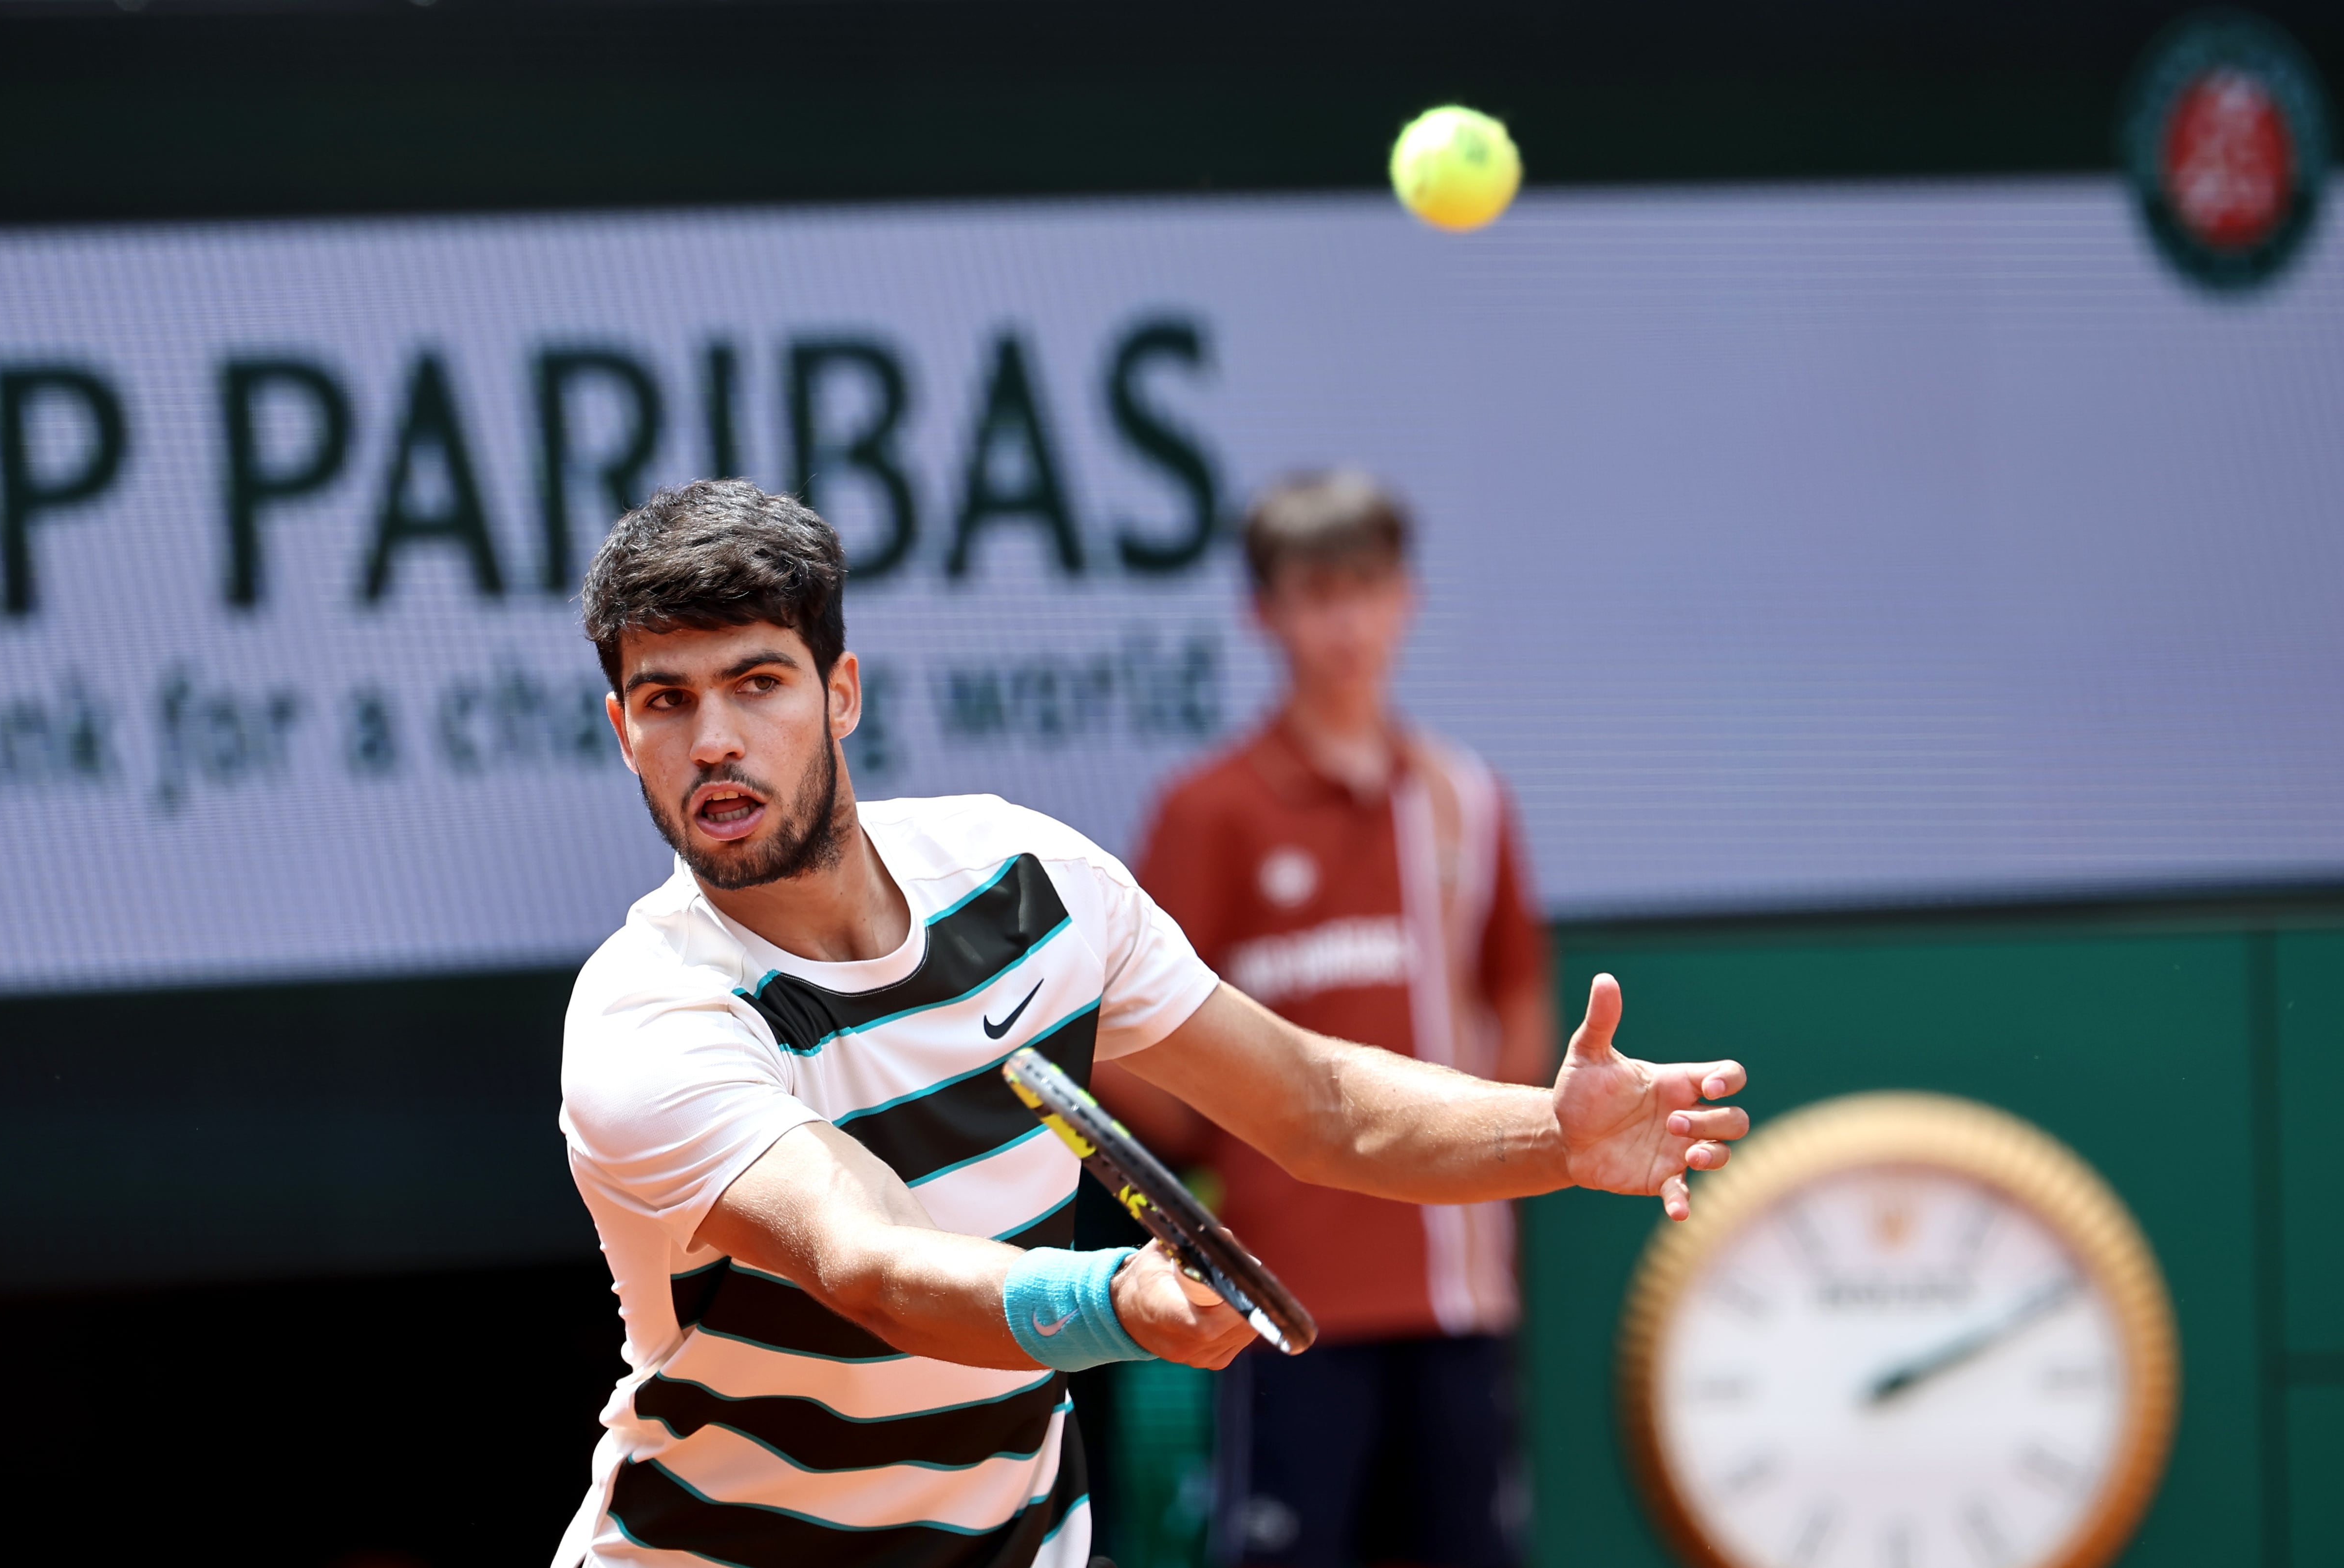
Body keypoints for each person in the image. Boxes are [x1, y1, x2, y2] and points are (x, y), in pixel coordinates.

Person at [552, 479, 1750, 1568]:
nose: (712, 740)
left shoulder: (1028, 883)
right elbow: (864, 1262)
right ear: (624, 734)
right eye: (666, 701)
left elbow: (1315, 1101)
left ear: (841, 693)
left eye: (757, 682)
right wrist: (1112, 1303)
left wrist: (1551, 1134)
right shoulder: (650, 1012)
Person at [1115, 470, 1552, 1568]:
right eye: (1314, 593)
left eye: (1364, 588)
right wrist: (1224, 1149)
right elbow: (1118, 1030)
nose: (1344, 622)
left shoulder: (1467, 798)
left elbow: (1515, 991)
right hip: (1283, 1291)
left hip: (1458, 1289)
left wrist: (1492, 1147)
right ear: (1261, 612)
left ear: (1406, 596)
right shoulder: (1208, 809)